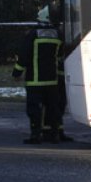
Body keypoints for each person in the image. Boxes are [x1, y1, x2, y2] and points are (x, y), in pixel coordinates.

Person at [12, 11, 70, 144]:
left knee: (34, 109)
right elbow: (61, 54)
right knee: (52, 107)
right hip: (52, 80)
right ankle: (54, 134)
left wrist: (17, 72)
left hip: (35, 80)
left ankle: (35, 135)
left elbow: (24, 55)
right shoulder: (58, 34)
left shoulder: (33, 35)